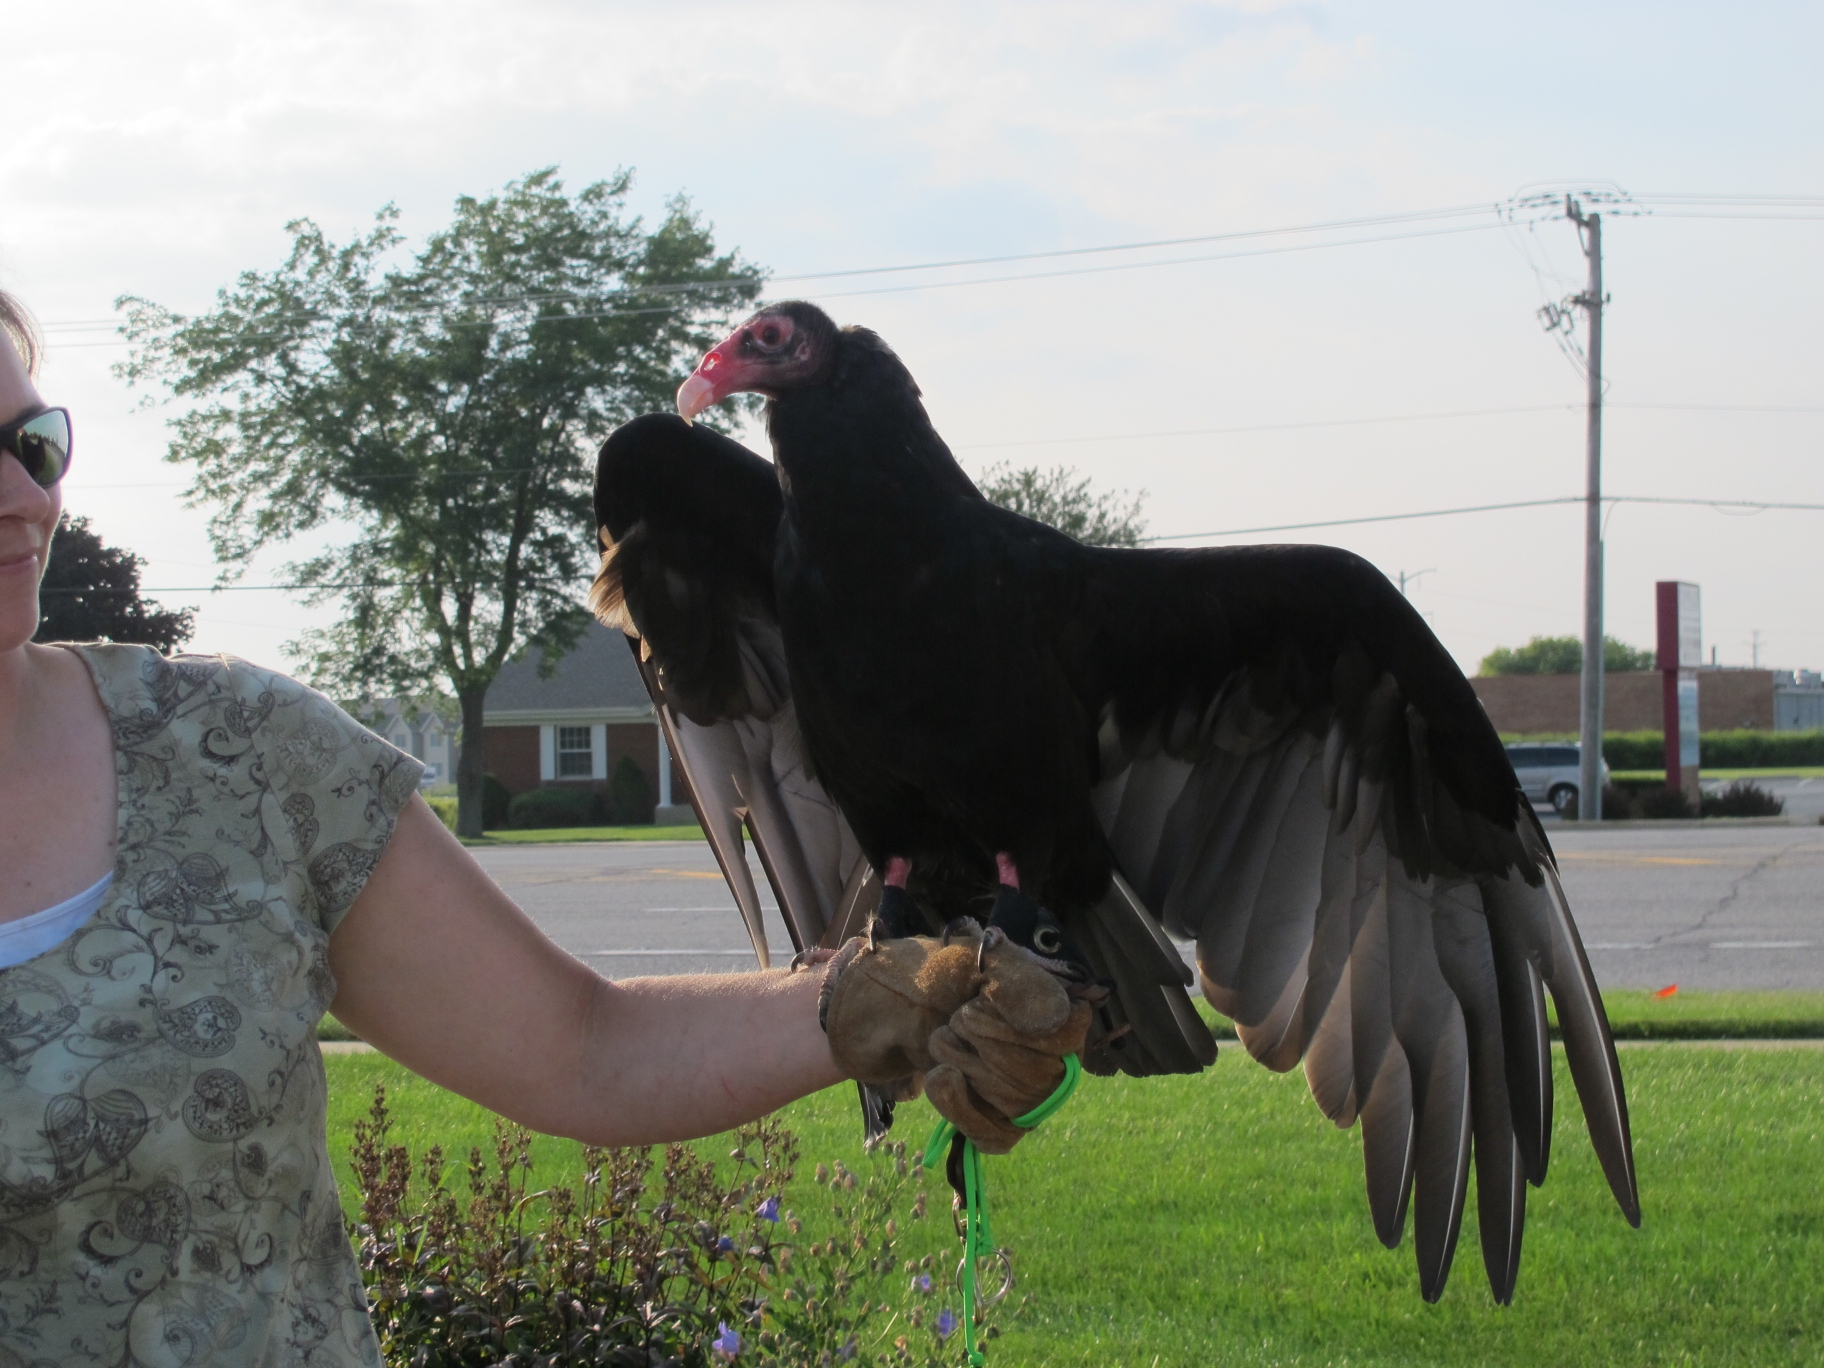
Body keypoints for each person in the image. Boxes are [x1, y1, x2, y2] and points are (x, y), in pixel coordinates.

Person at [0, 289, 849, 1366]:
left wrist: (874, 1004)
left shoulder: (242, 756)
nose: (21, 497)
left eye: (33, 445)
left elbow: (584, 1047)